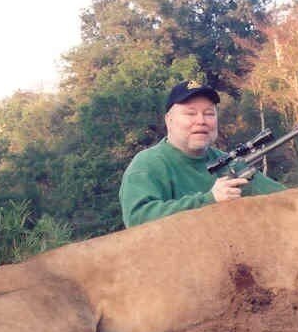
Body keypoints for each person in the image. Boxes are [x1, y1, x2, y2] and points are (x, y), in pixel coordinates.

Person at [119, 80, 285, 228]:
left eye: (209, 114)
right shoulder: (148, 164)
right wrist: (209, 200)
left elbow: (286, 199)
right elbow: (137, 219)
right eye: (190, 113)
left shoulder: (230, 163)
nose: (201, 121)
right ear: (169, 120)